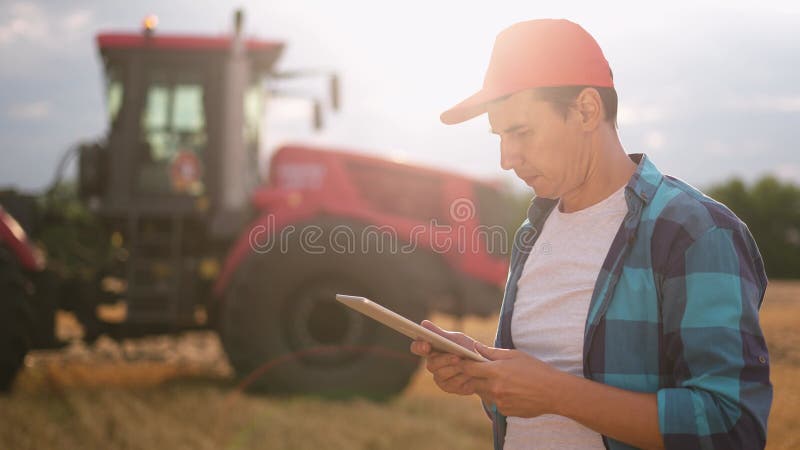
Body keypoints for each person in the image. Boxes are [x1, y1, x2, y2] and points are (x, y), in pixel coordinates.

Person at [410, 18, 771, 450]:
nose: (506, 158)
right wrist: (486, 376)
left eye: (520, 131)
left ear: (585, 110)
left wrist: (557, 394)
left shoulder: (694, 232)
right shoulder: (532, 234)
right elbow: (533, 410)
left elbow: (732, 428)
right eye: (499, 136)